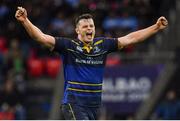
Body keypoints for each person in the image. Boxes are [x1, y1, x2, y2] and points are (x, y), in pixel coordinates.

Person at [15, 6, 168, 120]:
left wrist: (155, 27)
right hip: (74, 103)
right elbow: (40, 37)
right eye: (85, 26)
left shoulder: (103, 45)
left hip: (94, 106)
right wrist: (25, 21)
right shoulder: (68, 46)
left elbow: (130, 39)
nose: (89, 29)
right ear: (77, 30)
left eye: (91, 26)